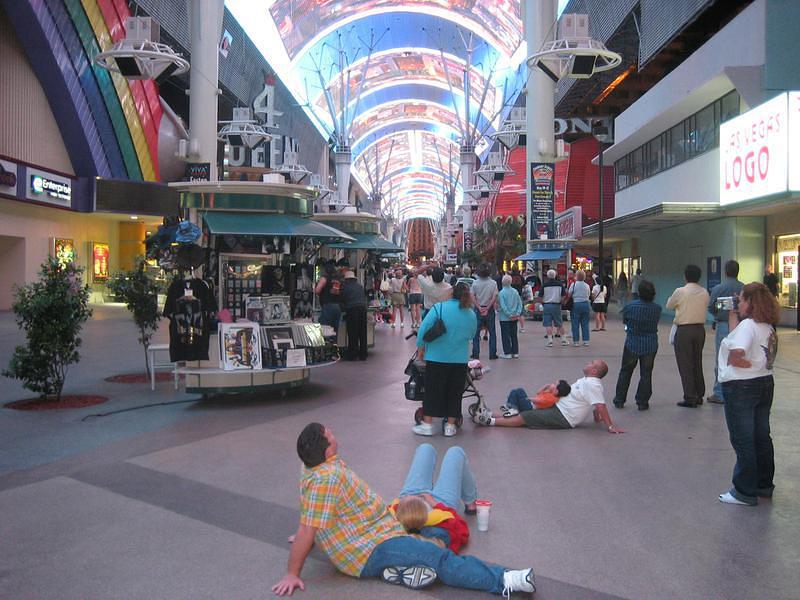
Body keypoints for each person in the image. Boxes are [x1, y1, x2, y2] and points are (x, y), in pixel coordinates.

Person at [272, 423, 536, 596]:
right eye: (331, 434)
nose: (334, 433)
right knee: (437, 556)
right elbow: (309, 524)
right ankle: (506, 580)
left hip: (384, 527)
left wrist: (313, 532)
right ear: (328, 449)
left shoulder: (311, 465)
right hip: (372, 548)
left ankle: (401, 571)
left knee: (438, 536)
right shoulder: (325, 479)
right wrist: (293, 571)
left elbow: (311, 515)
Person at [717, 283, 780, 506]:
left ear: (751, 303)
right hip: (764, 383)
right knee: (761, 436)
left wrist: (743, 362)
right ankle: (764, 484)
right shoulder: (767, 326)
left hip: (741, 387)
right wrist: (734, 313)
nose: (739, 303)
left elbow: (736, 354)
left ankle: (744, 490)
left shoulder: (749, 327)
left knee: (743, 439)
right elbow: (737, 334)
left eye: (742, 300)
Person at [472, 360, 625, 434]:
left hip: (563, 416)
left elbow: (600, 405)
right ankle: (490, 414)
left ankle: (489, 421)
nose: (588, 363)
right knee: (524, 408)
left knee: (527, 416)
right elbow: (595, 404)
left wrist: (610, 426)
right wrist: (596, 418)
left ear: (594, 371)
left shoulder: (593, 384)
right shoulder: (588, 381)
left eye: (592, 363)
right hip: (558, 407)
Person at [413, 283, 478, 437]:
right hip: (459, 359)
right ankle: (450, 426)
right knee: (455, 392)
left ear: (451, 293)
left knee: (432, 391)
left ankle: (428, 424)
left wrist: (421, 347)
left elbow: (423, 329)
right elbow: (472, 335)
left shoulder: (439, 308)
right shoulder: (470, 314)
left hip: (436, 357)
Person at [391, 444, 477, 554]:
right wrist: (434, 503)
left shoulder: (394, 521)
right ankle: (470, 503)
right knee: (455, 452)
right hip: (440, 503)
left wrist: (405, 500)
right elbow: (461, 528)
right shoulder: (441, 526)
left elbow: (392, 508)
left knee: (425, 448)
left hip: (410, 504)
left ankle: (410, 499)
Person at [612, 280, 662, 411]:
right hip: (650, 343)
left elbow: (625, 320)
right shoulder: (657, 308)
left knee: (626, 371)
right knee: (646, 373)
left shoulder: (630, 306)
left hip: (632, 342)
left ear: (639, 293)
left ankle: (619, 399)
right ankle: (642, 401)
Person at [666, 265, 710, 408]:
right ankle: (699, 394)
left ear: (685, 276)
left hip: (684, 330)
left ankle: (689, 396)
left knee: (685, 363)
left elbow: (669, 305)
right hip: (699, 330)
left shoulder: (680, 291)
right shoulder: (704, 292)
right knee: (697, 361)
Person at [707, 260, 744, 404]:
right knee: (739, 356)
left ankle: (719, 392)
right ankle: (738, 391)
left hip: (723, 325)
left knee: (721, 358)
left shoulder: (718, 288)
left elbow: (711, 307)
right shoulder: (743, 288)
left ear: (725, 271)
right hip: (741, 326)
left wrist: (718, 315)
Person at [470, 264, 499, 360]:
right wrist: (488, 307)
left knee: (476, 332)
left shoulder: (475, 283)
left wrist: (478, 306)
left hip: (478, 309)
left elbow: (472, 296)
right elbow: (494, 297)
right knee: (492, 332)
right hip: (489, 309)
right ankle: (492, 353)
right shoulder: (493, 283)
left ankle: (475, 353)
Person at [498, 380, 572, 416]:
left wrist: (530, 399)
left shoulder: (552, 398)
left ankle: (513, 409)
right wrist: (545, 387)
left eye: (554, 384)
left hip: (530, 408)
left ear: (556, 391)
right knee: (515, 391)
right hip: (531, 404)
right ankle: (509, 405)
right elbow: (538, 393)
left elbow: (541, 401)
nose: (552, 384)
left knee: (520, 391)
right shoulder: (549, 392)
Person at [340, 271, 368, 361]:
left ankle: (353, 354)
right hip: (363, 309)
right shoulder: (360, 286)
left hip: (352, 310)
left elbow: (342, 299)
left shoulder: (346, 287)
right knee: (362, 332)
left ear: (347, 279)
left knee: (353, 332)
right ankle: (363, 354)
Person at [497, 274, 523, 358]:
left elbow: (503, 306)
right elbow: (520, 303)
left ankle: (507, 352)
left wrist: (509, 314)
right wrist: (517, 313)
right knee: (514, 335)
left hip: (504, 318)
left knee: (505, 335)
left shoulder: (501, 293)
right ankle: (515, 352)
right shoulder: (515, 292)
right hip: (514, 317)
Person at [542, 269, 568, 347]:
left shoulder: (544, 285)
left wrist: (543, 303)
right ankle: (563, 340)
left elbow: (540, 296)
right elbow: (564, 296)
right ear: (555, 275)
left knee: (548, 324)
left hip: (547, 305)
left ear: (547, 276)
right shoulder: (560, 285)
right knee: (559, 323)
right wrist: (561, 302)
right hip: (557, 305)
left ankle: (550, 341)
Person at [315, 261, 342, 334]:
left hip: (328, 306)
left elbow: (317, 290)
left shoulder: (324, 278)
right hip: (337, 307)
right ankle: (335, 344)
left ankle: (327, 344)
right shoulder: (338, 280)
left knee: (325, 329)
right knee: (335, 330)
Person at [568, 270, 592, 346]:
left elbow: (569, 294)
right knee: (585, 323)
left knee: (575, 323)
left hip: (576, 304)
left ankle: (576, 341)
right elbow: (589, 295)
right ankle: (586, 340)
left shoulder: (574, 284)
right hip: (585, 304)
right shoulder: (587, 285)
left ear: (576, 276)